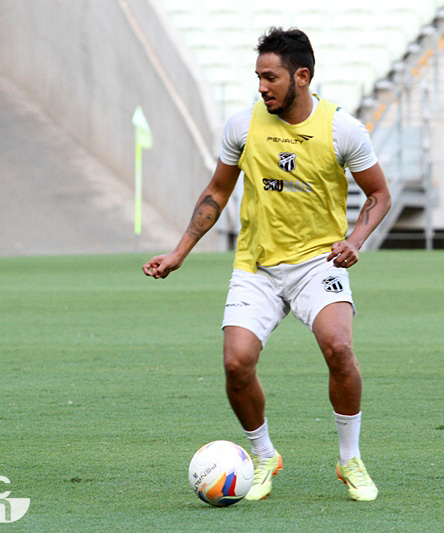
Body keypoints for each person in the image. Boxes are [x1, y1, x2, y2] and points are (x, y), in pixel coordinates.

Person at [143, 27, 391, 501]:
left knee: (339, 348)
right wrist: (179, 252)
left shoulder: (343, 129)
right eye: (258, 77)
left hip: (318, 262)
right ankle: (263, 456)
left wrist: (355, 240)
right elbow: (217, 192)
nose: (261, 87)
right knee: (236, 363)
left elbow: (379, 195)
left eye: (270, 77)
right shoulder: (242, 126)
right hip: (257, 265)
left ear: (302, 76)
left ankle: (350, 459)